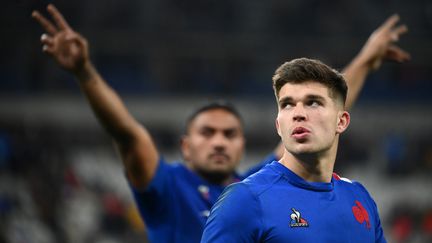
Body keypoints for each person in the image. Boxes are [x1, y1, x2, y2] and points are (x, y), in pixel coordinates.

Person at [32, 4, 409, 243]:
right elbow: (127, 134)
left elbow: (322, 114)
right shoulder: (171, 188)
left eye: (230, 134)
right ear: (185, 146)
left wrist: (366, 61)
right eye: (207, 132)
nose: (219, 142)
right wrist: (84, 73)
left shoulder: (262, 182)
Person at [201, 57, 390, 242]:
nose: (298, 114)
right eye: (287, 105)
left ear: (341, 122)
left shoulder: (359, 197)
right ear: (278, 126)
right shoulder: (245, 200)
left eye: (313, 102)